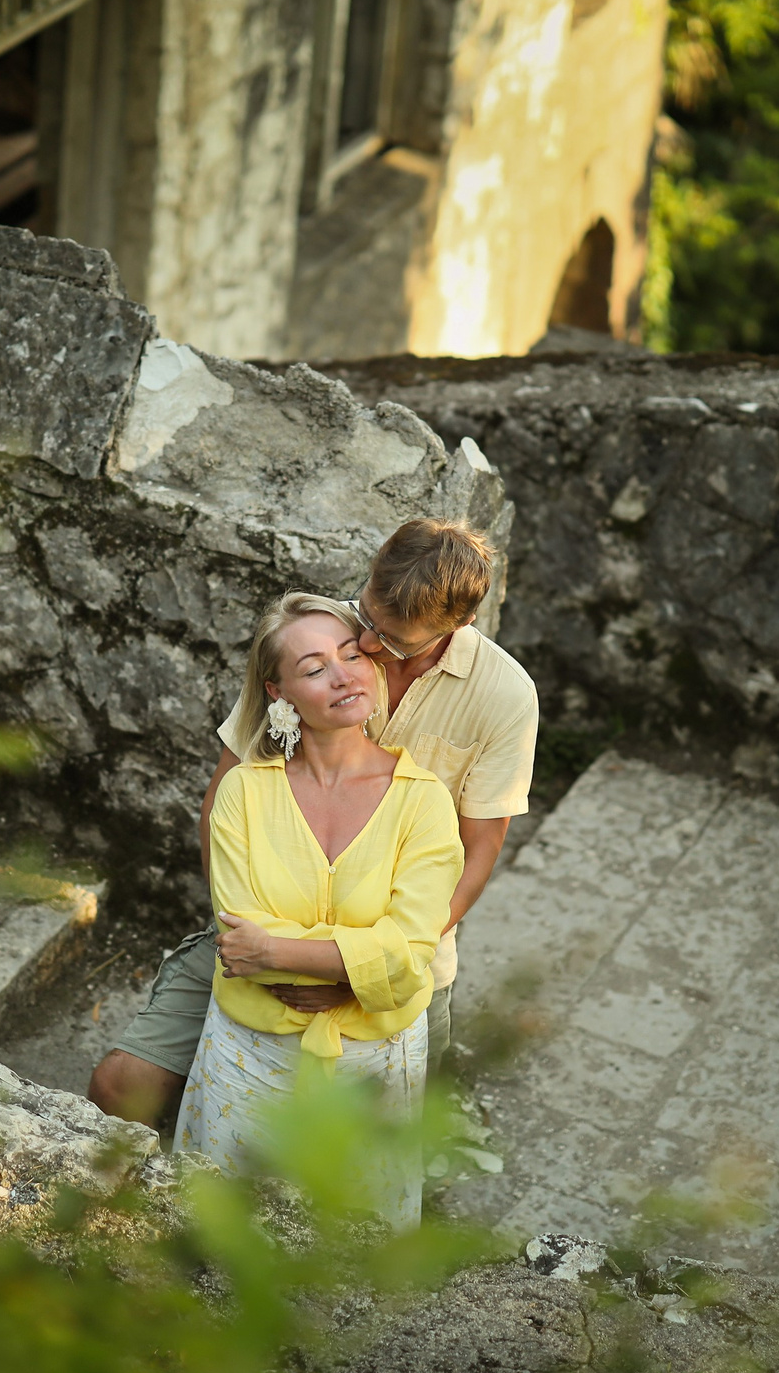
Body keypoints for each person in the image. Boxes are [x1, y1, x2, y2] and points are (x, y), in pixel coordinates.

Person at [88, 518, 539, 1128]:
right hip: (265, 929)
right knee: (121, 1088)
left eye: (392, 641)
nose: (369, 648)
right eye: (368, 624)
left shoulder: (505, 696)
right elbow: (226, 794)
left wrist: (360, 973)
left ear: (458, 626)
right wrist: (257, 937)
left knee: (379, 1148)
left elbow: (479, 848)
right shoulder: (320, 633)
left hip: (401, 952)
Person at [173, 593, 461, 1226]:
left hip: (375, 1059)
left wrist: (283, 952)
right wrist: (358, 965)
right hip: (251, 1050)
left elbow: (412, 956)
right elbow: (238, 940)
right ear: (280, 694)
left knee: (354, 1252)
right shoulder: (243, 794)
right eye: (314, 667)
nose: (342, 674)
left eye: (352, 654)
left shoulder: (425, 803)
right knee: (223, 1229)